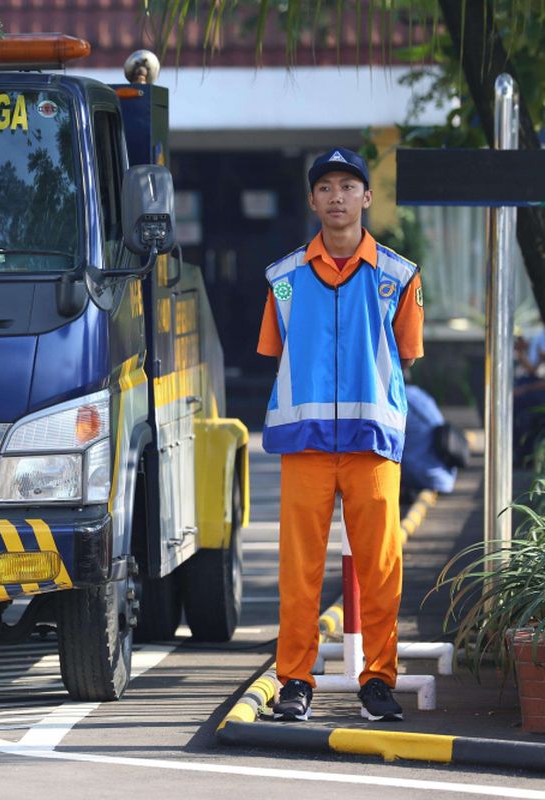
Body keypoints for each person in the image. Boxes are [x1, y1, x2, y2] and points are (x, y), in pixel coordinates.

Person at [256, 148, 424, 723]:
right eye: (325, 187)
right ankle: (296, 682)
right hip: (304, 445)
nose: (336, 196)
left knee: (381, 570)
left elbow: (407, 355)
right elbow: (274, 353)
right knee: (298, 573)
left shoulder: (400, 277)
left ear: (367, 198)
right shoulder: (282, 279)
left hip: (371, 446)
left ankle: (378, 680)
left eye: (347, 186)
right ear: (312, 200)